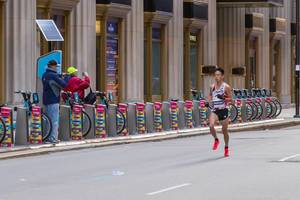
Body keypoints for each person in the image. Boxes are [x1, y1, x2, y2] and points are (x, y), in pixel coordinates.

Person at [208, 67, 233, 157]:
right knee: (211, 126)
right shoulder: (212, 86)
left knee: (224, 131)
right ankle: (216, 140)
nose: (216, 77)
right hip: (215, 110)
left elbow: (231, 100)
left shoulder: (226, 87)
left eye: (218, 75)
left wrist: (223, 98)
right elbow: (210, 96)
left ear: (222, 76)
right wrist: (209, 102)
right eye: (215, 75)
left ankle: (226, 147)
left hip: (224, 110)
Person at [42, 60, 67, 144]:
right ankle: (53, 138)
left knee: (47, 120)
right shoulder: (54, 76)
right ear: (53, 66)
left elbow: (52, 80)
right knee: (54, 120)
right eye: (56, 67)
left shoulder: (45, 75)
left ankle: (47, 137)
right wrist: (66, 78)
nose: (57, 68)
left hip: (46, 100)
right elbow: (64, 85)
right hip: (54, 100)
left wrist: (60, 76)